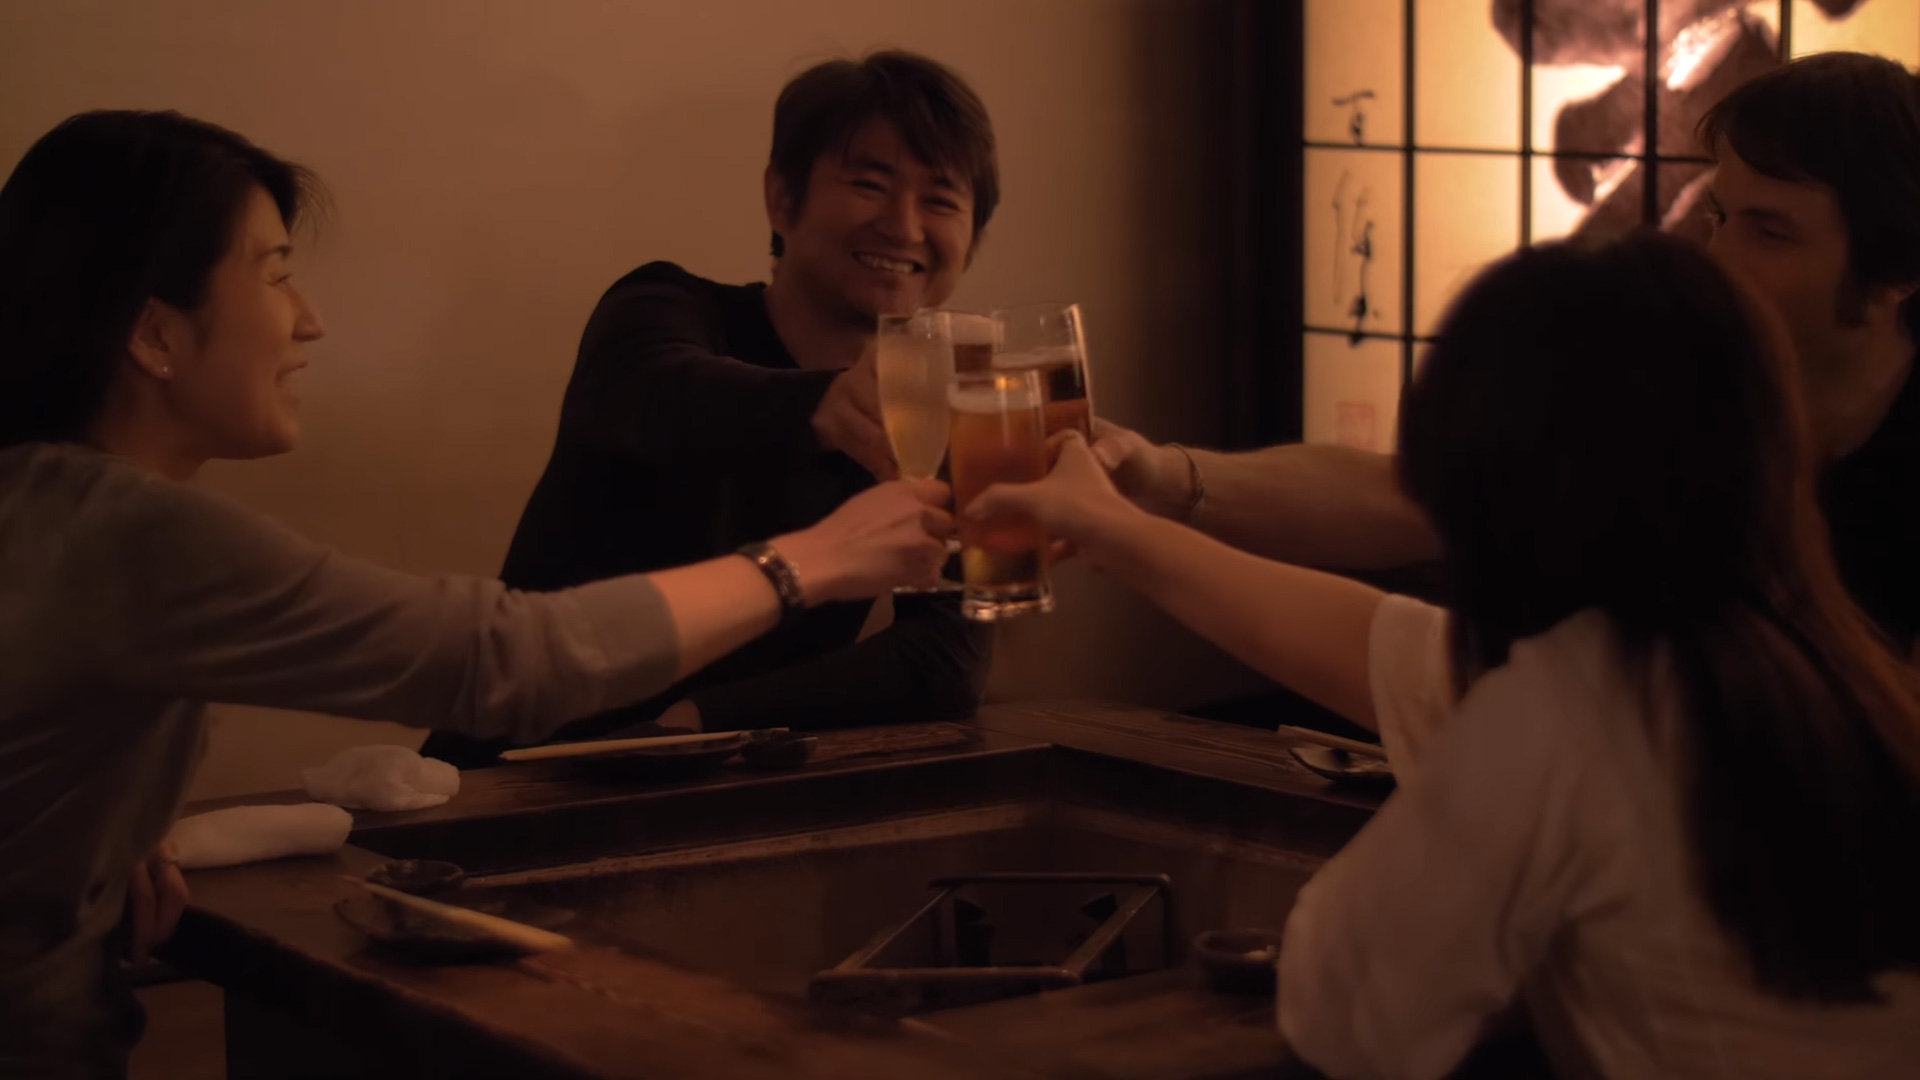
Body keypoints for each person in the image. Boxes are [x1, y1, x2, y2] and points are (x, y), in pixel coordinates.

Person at [0, 110, 950, 1080]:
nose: (309, 319)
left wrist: (91, 834)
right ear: (154, 333)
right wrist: (810, 562)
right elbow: (506, 660)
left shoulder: (46, 507)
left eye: (942, 199)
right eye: (275, 273)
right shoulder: (126, 536)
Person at [971, 233, 1920, 1077]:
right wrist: (1123, 527)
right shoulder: (1829, 671)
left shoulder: (1568, 709)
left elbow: (1346, 1012)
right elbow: (1389, 647)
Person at [1098, 51, 1920, 656]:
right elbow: (1419, 499)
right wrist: (1160, 477)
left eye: (1770, 233)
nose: (1719, 258)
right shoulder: (1682, 393)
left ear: (1898, 272)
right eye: (1719, 218)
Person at [420, 50, 1000, 769]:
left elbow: (945, 657)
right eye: (868, 184)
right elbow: (656, 393)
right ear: (781, 198)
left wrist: (703, 719)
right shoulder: (662, 309)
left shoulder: (933, 405)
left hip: (716, 783)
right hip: (503, 776)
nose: (904, 226)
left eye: (940, 201)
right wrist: (824, 404)